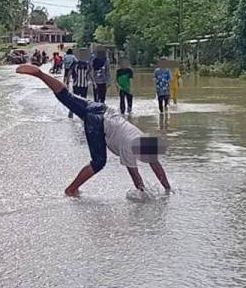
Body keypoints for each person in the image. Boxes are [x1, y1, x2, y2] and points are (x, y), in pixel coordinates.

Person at [16, 64, 171, 197]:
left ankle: (40, 74)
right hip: (97, 123)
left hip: (103, 110)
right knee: (98, 162)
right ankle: (71, 189)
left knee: (67, 97)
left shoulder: (140, 136)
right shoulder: (130, 148)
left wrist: (167, 189)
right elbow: (136, 179)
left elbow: (156, 164)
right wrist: (145, 196)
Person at [68, 48, 91, 118]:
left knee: (81, 100)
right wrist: (67, 80)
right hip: (79, 84)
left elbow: (89, 74)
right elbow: (70, 71)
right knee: (79, 100)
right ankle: (73, 112)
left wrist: (67, 80)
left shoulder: (86, 64)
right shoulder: (77, 63)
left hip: (81, 84)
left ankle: (76, 113)